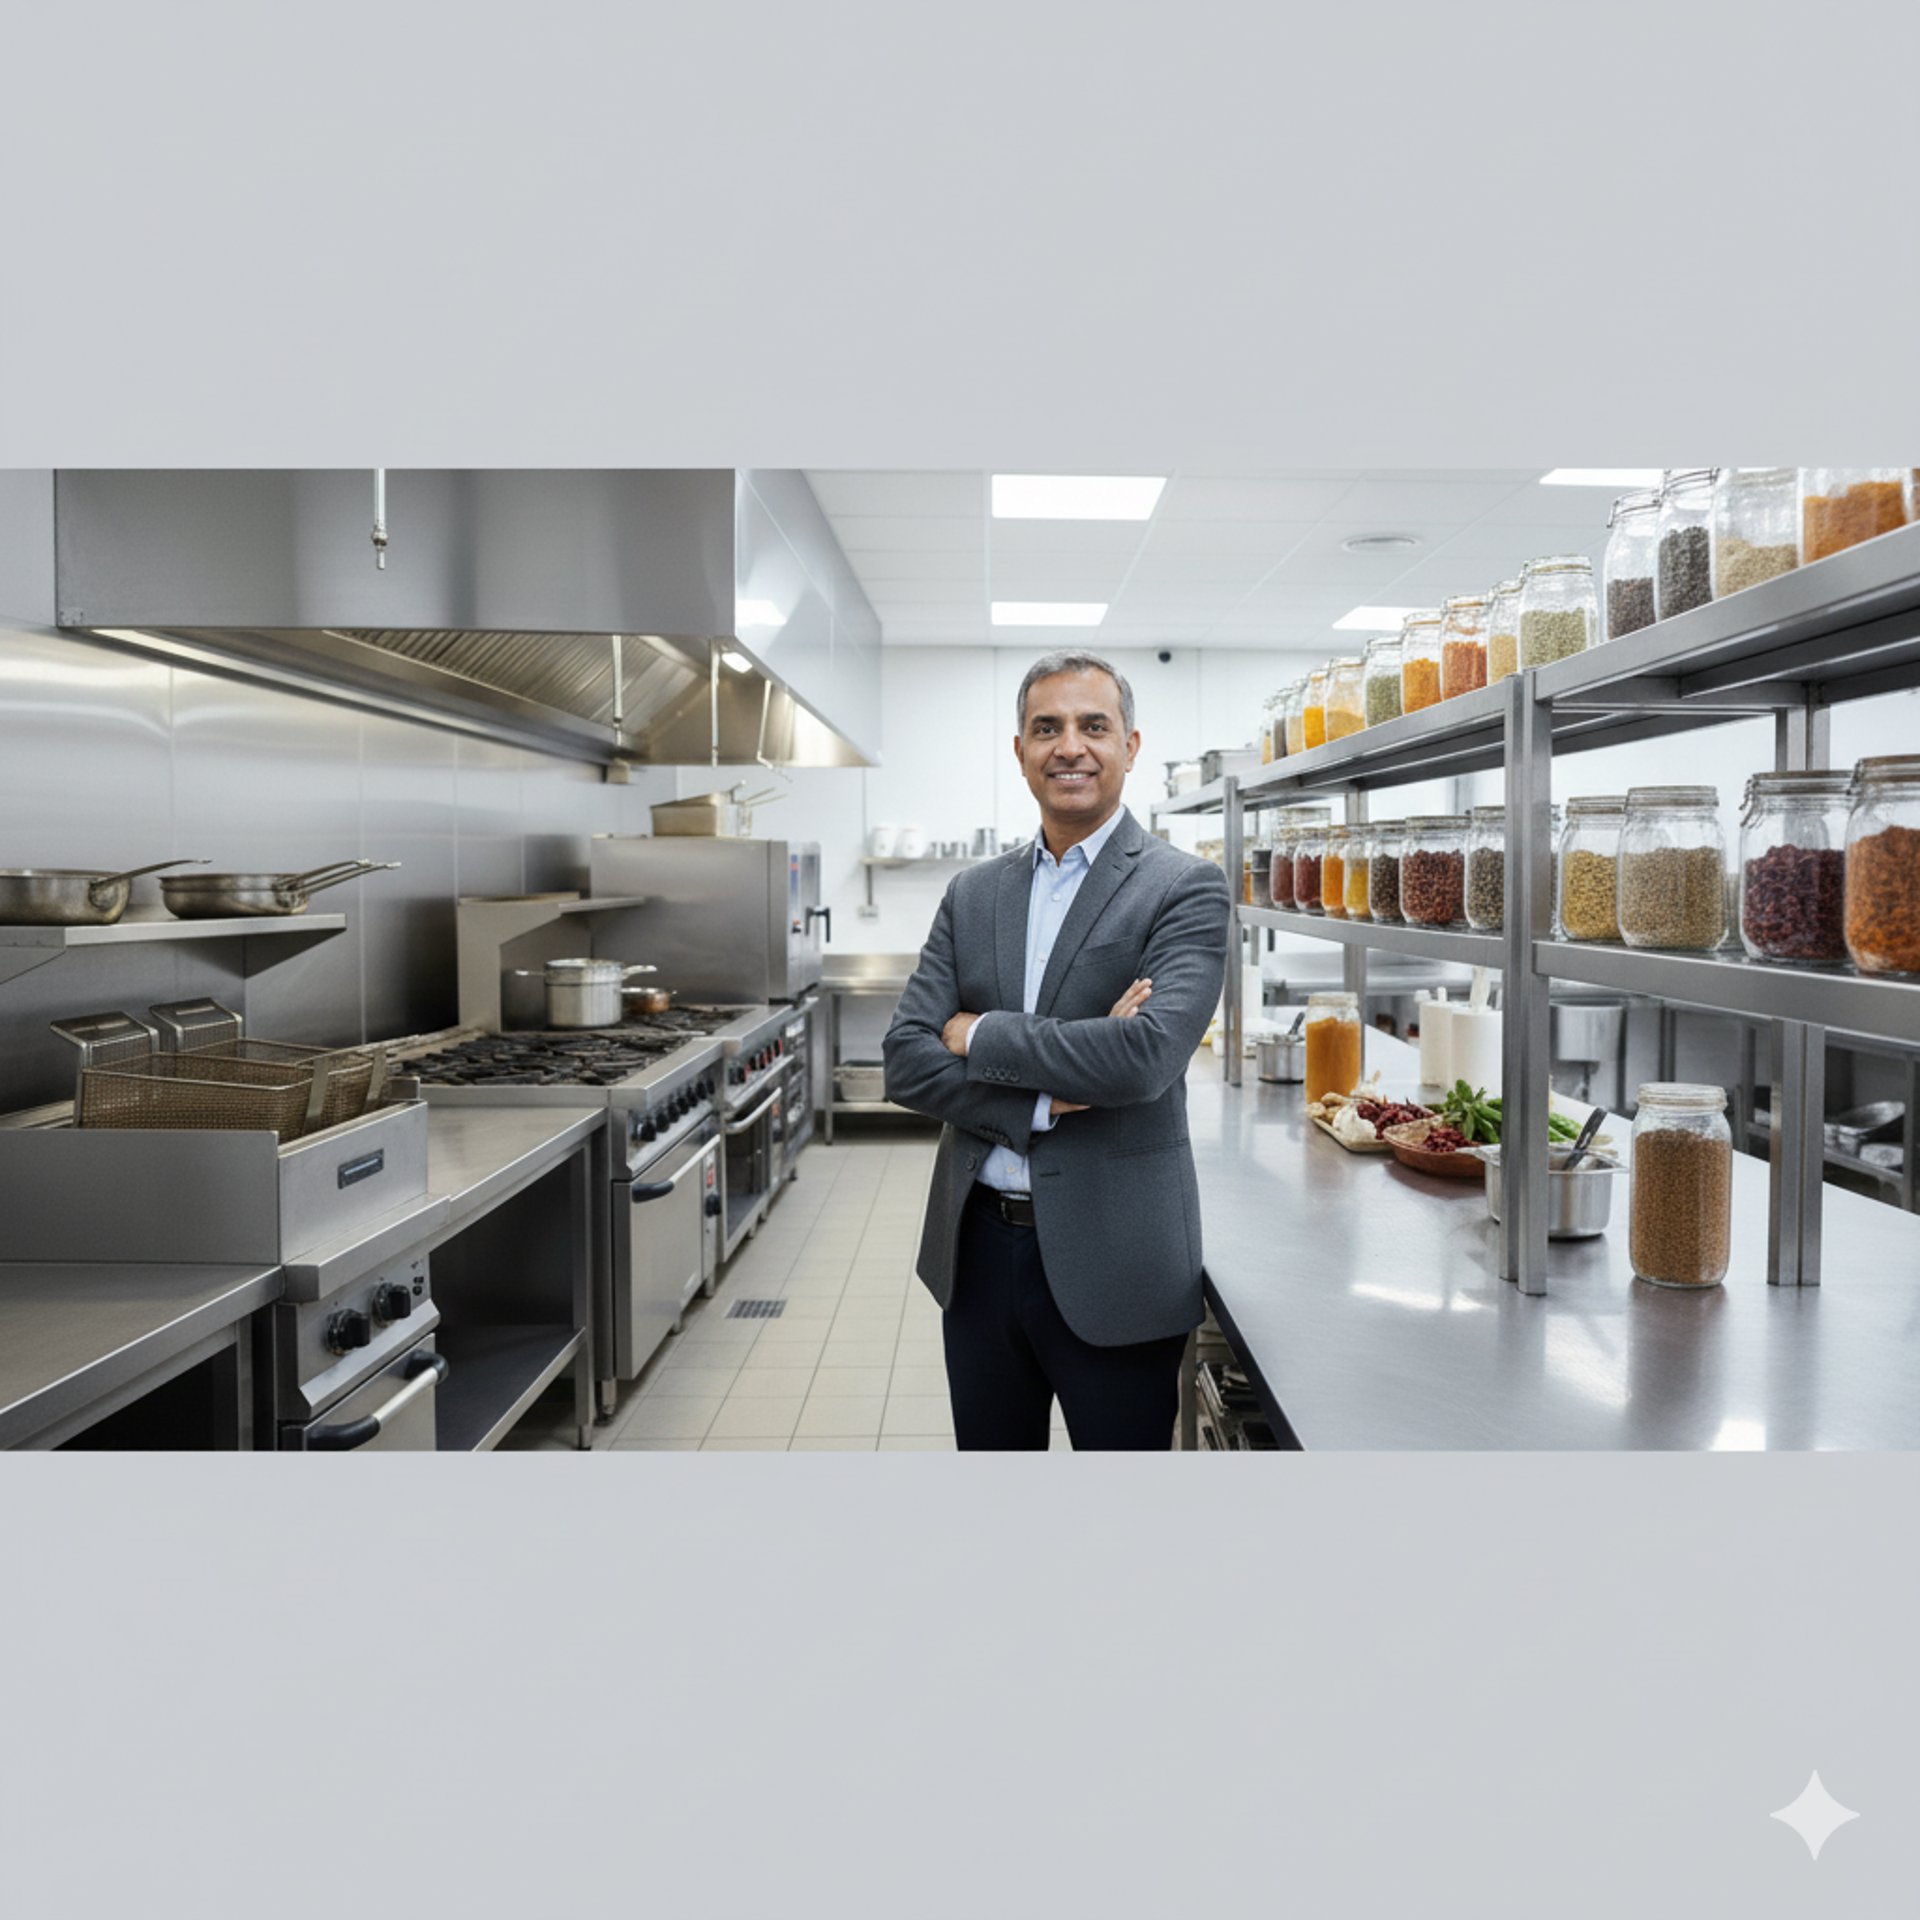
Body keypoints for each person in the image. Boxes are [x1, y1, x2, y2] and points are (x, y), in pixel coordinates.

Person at [881, 649, 1232, 1450]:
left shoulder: (1182, 887)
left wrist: (978, 1033)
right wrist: (1038, 1098)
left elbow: (1143, 1058)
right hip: (977, 1256)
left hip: (1120, 1261)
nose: (1069, 746)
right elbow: (904, 1057)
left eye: (1092, 726)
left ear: (1130, 746)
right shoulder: (974, 894)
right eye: (1047, 728)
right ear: (1020, 751)